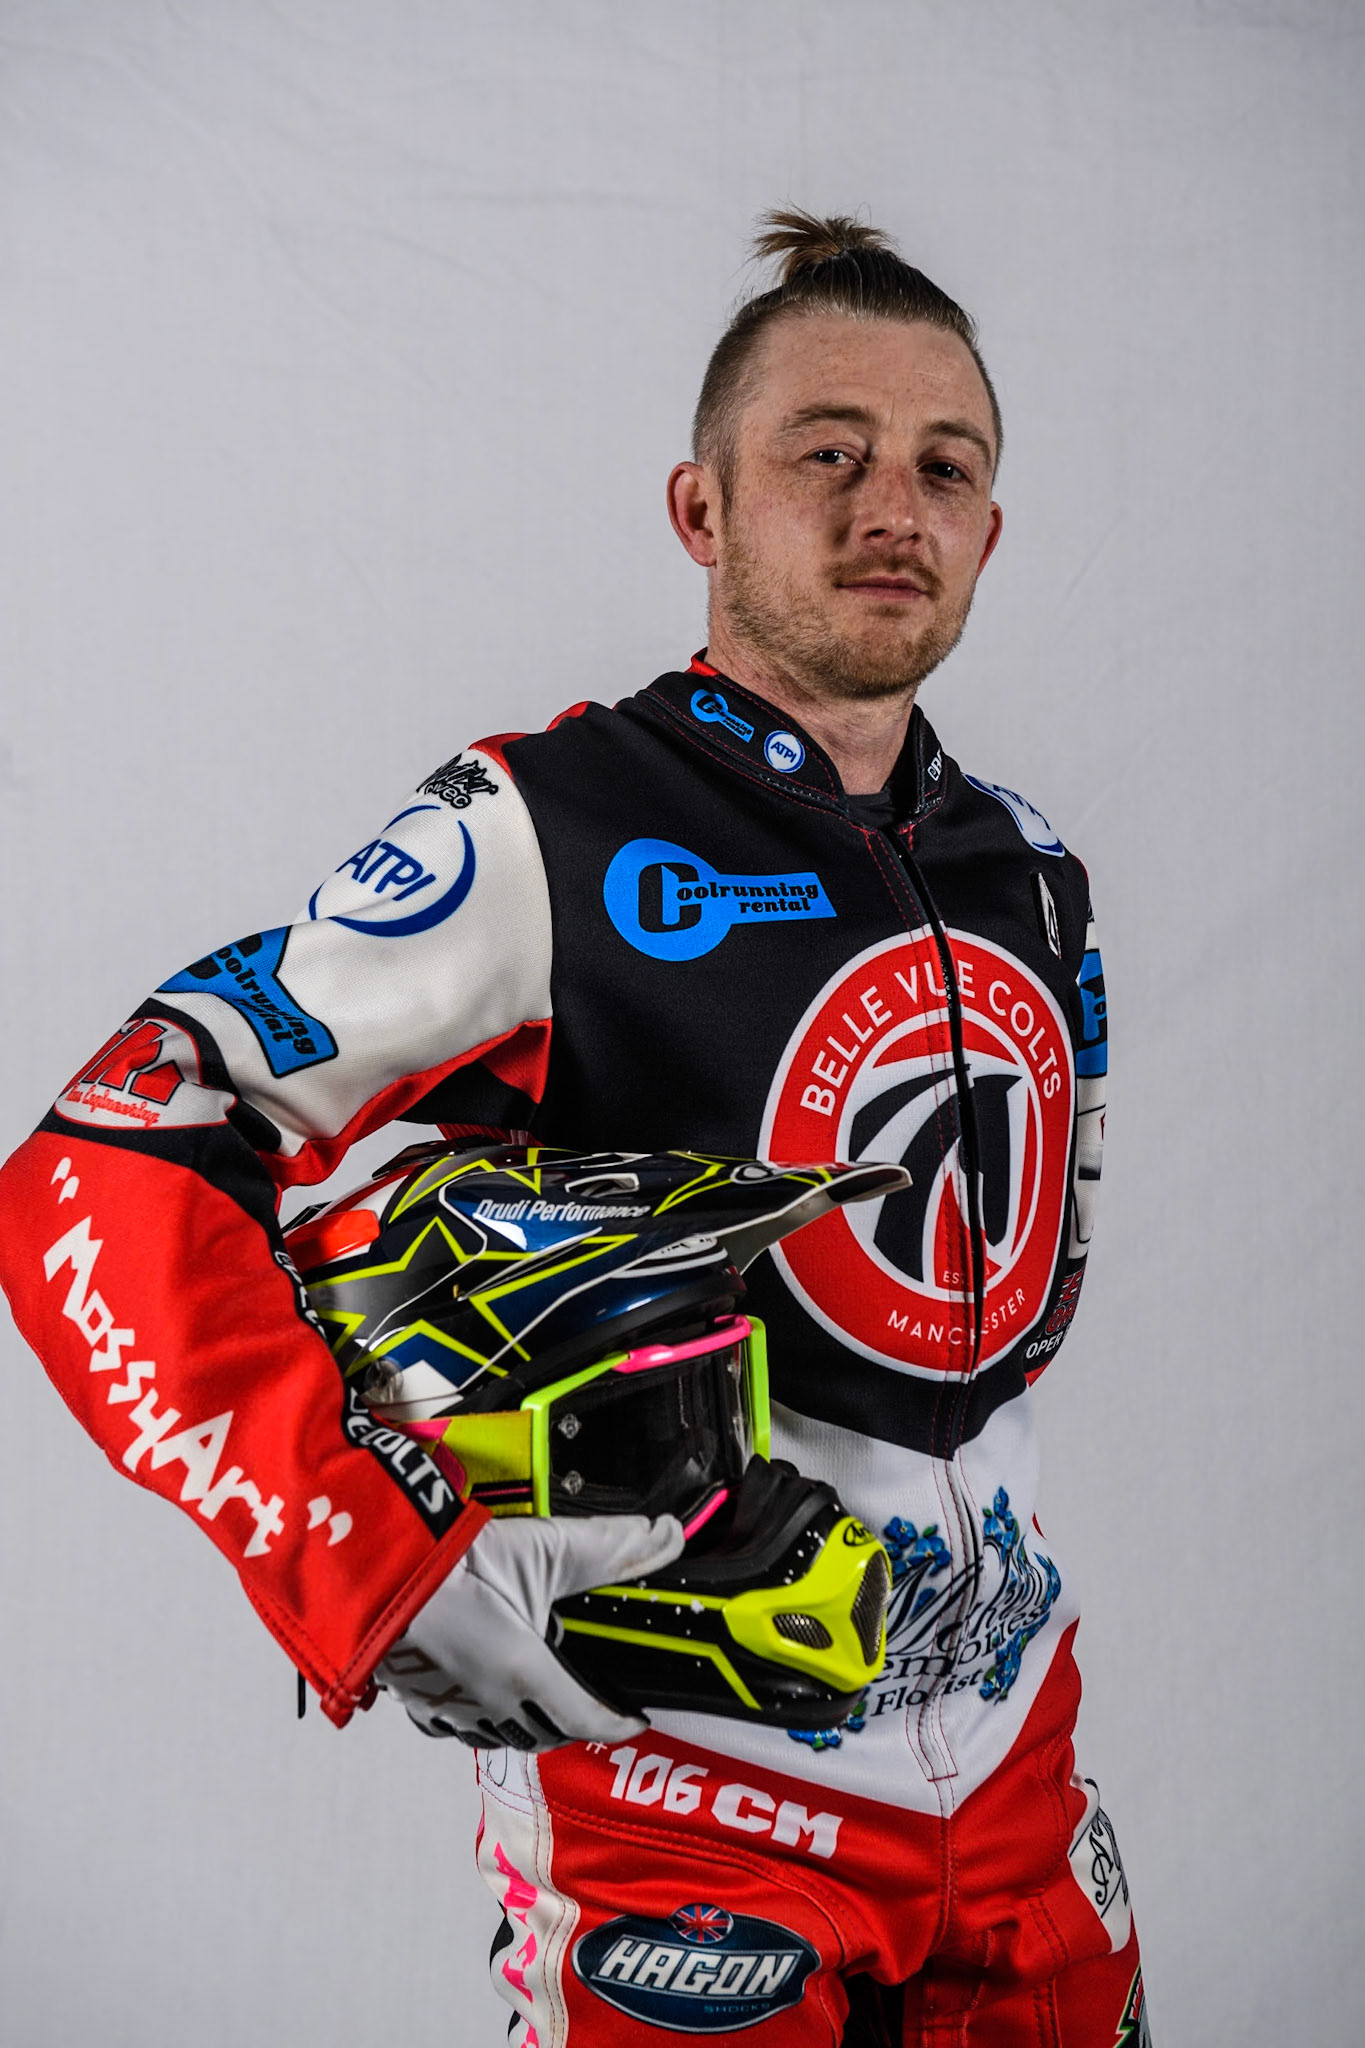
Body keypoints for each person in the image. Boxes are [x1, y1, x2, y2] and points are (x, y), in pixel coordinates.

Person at [0, 211, 1145, 2045]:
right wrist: (358, 1544)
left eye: (944, 468)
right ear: (701, 510)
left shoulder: (1034, 873)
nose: (889, 509)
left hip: (1016, 1782)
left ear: (990, 533)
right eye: (825, 454)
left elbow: (1013, 1315)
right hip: (678, 1812)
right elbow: (106, 1155)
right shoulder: (548, 829)